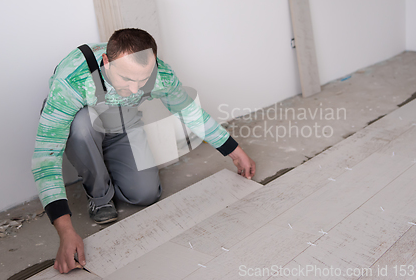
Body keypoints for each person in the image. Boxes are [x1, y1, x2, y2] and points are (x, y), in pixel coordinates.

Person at [31, 28, 256, 274]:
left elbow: (190, 113)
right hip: (85, 125)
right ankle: (99, 195)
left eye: (143, 80)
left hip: (124, 125)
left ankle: (109, 160)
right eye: (127, 79)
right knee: (83, 128)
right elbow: (46, 156)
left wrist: (235, 151)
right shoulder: (72, 80)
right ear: (106, 62)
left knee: (146, 194)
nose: (137, 89)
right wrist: (65, 232)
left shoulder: (160, 74)